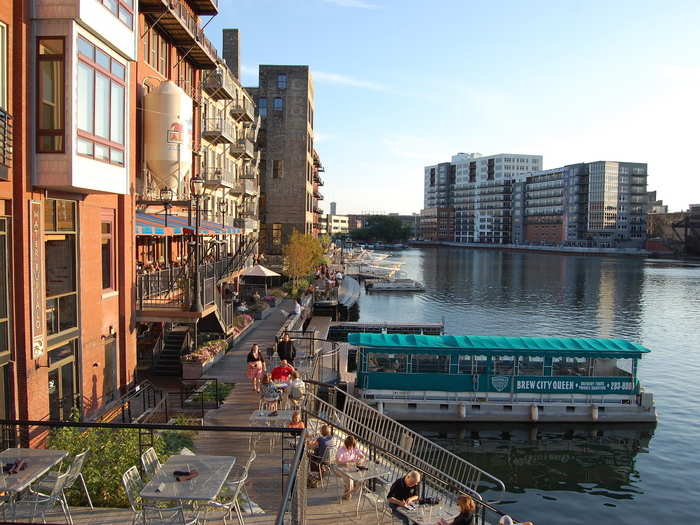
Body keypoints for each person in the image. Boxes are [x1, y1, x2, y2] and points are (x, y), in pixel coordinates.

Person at [336, 436, 366, 500]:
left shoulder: (354, 448)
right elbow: (337, 461)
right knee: (350, 481)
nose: (351, 448)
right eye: (350, 446)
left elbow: (363, 456)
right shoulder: (341, 450)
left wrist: (360, 460)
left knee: (361, 480)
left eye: (352, 446)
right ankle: (348, 493)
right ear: (346, 444)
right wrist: (346, 463)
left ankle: (347, 492)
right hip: (341, 468)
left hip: (351, 468)